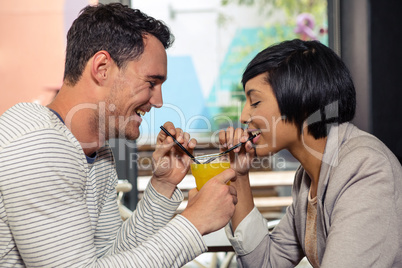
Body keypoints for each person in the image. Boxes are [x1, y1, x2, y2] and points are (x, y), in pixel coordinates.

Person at [0, 3, 238, 267]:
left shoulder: (97, 154)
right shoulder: (38, 146)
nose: (158, 101)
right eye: (151, 83)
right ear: (102, 68)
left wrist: (163, 186)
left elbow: (110, 257)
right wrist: (195, 222)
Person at [220, 39, 402, 267]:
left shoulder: (365, 166)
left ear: (302, 100)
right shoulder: (307, 177)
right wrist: (240, 174)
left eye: (255, 101)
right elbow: (265, 263)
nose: (244, 116)